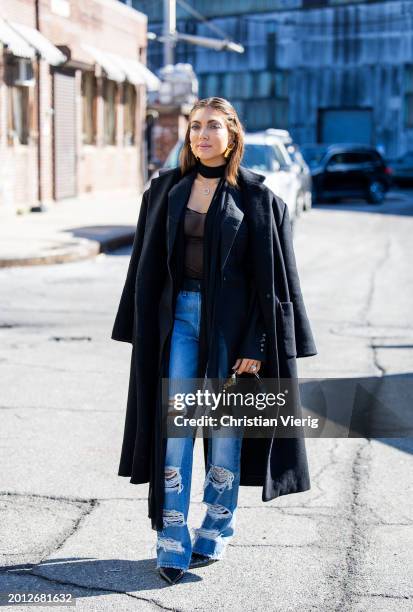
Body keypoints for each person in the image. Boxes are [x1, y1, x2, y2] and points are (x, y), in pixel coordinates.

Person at [111, 97, 317, 586]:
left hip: (232, 330)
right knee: (176, 429)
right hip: (177, 321)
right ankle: (172, 534)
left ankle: (217, 525)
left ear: (233, 134)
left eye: (213, 126)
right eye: (195, 126)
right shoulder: (164, 191)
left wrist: (257, 343)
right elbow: (144, 267)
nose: (202, 135)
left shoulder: (259, 201)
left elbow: (272, 284)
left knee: (224, 436)